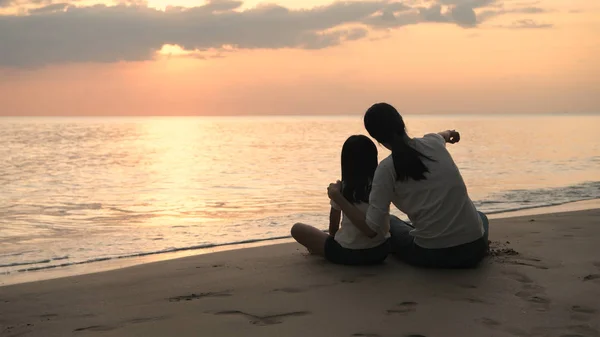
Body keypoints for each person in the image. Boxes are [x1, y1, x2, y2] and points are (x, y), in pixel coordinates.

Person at [327, 102, 489, 268]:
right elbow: (442, 136)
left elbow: (371, 230)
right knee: (480, 217)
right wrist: (451, 133)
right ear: (401, 122)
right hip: (476, 248)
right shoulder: (433, 142)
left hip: (435, 255)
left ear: (377, 138)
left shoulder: (386, 169)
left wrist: (337, 197)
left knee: (391, 222)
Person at [291, 135, 391, 265]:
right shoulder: (381, 185)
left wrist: (336, 196)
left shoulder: (342, 189)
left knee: (297, 229)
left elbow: (333, 227)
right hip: (381, 252)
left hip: (348, 254)